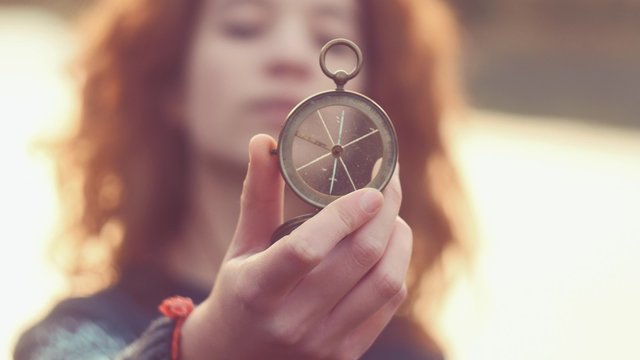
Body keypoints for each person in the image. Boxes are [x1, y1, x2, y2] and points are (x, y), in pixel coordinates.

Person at [14, 0, 466, 358]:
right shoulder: (77, 333)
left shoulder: (407, 352)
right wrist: (205, 349)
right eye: (244, 26)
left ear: (371, 96)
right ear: (171, 82)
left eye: (329, 35)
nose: (290, 55)